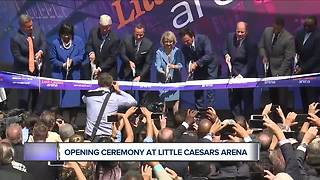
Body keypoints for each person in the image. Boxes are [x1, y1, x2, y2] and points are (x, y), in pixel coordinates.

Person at [10, 14, 47, 113]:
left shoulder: (38, 31)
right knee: (24, 100)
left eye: (32, 25)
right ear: (22, 27)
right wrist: (31, 62)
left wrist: (40, 51)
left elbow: (44, 43)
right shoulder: (15, 38)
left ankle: (35, 120)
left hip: (38, 71)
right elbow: (17, 57)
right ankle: (23, 122)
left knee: (38, 98)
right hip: (24, 72)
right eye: (28, 27)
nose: (31, 28)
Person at [82, 73, 136, 138]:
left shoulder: (88, 95)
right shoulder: (115, 98)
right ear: (111, 84)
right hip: (107, 136)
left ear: (98, 83)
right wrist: (119, 91)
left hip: (90, 135)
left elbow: (83, 99)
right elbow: (133, 102)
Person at [49, 23, 85, 123]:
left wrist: (73, 61)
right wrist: (63, 65)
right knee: (60, 102)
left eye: (68, 34)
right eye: (63, 34)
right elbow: (52, 59)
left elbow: (82, 55)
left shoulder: (78, 41)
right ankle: (61, 123)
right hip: (60, 75)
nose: (66, 36)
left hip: (74, 75)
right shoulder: (55, 43)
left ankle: (73, 122)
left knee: (74, 100)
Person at [259, 16, 295, 113]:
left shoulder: (289, 38)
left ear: (282, 27)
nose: (274, 30)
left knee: (282, 100)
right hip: (270, 71)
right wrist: (264, 56)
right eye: (274, 27)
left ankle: (283, 121)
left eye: (277, 28)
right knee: (272, 98)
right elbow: (261, 46)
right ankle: (273, 121)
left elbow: (288, 58)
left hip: (282, 73)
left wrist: (279, 73)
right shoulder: (267, 31)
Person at [224, 21, 257, 119]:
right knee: (234, 101)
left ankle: (247, 123)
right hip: (233, 75)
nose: (239, 34)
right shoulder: (230, 37)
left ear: (246, 32)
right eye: (238, 31)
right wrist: (226, 54)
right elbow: (224, 48)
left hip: (247, 76)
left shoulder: (251, 43)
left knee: (247, 101)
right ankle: (237, 122)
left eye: (242, 32)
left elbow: (251, 62)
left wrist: (241, 75)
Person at [180, 27, 218, 109]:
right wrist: (189, 68)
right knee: (198, 92)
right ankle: (199, 113)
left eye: (187, 41)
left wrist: (197, 63)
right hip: (198, 71)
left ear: (192, 36)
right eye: (184, 42)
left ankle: (210, 113)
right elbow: (187, 60)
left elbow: (209, 55)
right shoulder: (184, 47)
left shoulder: (203, 39)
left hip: (209, 68)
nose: (186, 43)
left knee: (210, 92)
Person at [120, 23, 154, 104]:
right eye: (137, 34)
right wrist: (128, 61)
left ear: (144, 33)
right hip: (129, 72)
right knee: (129, 99)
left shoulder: (149, 44)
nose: (138, 37)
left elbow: (148, 63)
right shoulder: (126, 40)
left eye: (141, 35)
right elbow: (122, 54)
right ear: (134, 32)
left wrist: (140, 76)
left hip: (143, 74)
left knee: (144, 99)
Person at [294, 16, 320, 113]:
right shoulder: (300, 33)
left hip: (313, 72)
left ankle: (314, 122)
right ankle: (305, 120)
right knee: (303, 97)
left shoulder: (318, 36)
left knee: (312, 100)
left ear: (315, 25)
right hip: (302, 72)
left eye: (309, 26)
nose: (306, 28)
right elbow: (297, 51)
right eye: (305, 25)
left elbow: (316, 57)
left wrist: (303, 68)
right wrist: (297, 65)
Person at [155, 31, 184, 115]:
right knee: (163, 103)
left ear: (174, 42)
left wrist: (174, 66)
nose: (168, 44)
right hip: (163, 80)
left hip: (175, 79)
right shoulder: (159, 52)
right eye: (166, 42)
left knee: (176, 101)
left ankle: (177, 120)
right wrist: (163, 72)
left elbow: (180, 65)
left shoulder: (177, 51)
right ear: (163, 42)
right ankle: (163, 121)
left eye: (170, 41)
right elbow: (158, 66)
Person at [86, 14, 121, 80]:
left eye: (107, 27)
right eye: (103, 27)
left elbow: (112, 58)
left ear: (110, 26)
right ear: (99, 25)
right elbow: (88, 45)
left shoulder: (115, 39)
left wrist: (100, 68)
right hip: (94, 68)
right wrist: (91, 52)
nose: (104, 30)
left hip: (108, 72)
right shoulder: (93, 32)